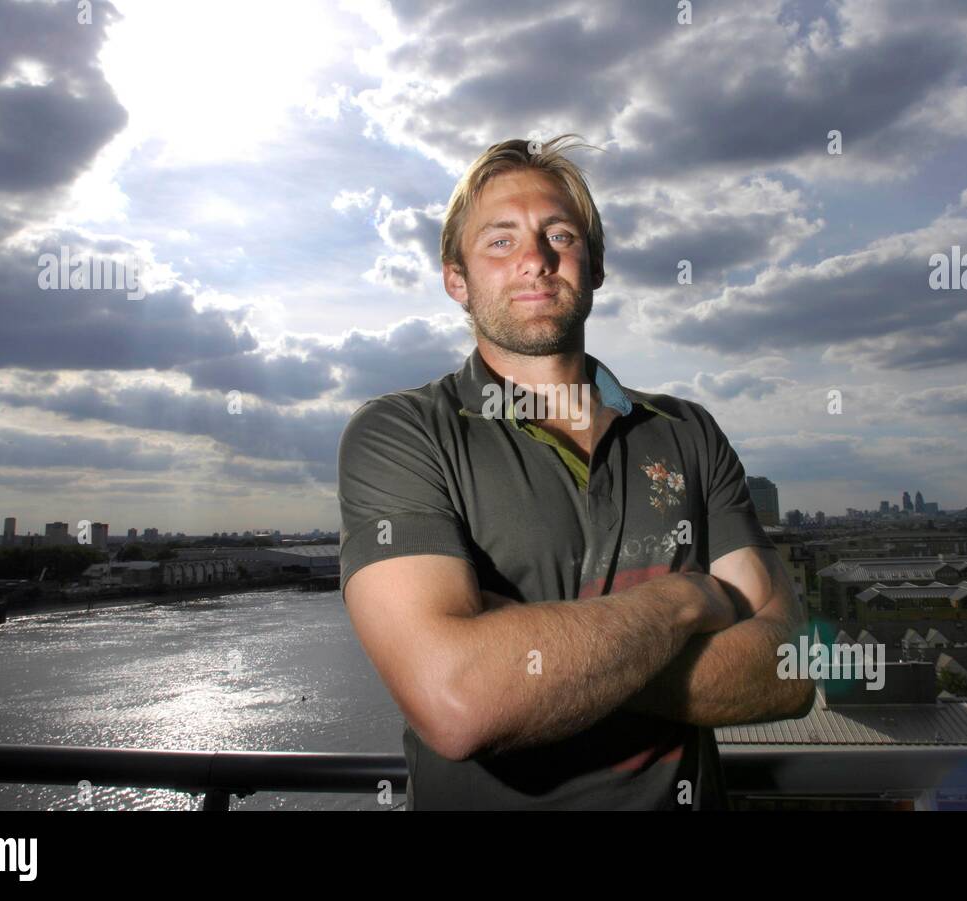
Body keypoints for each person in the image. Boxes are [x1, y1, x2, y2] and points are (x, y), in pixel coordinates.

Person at [338, 134, 813, 810]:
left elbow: (792, 672)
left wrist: (531, 654)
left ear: (593, 268)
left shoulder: (687, 431)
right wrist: (687, 602)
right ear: (456, 280)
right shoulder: (401, 433)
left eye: (559, 235)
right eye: (500, 242)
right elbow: (458, 698)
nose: (535, 260)